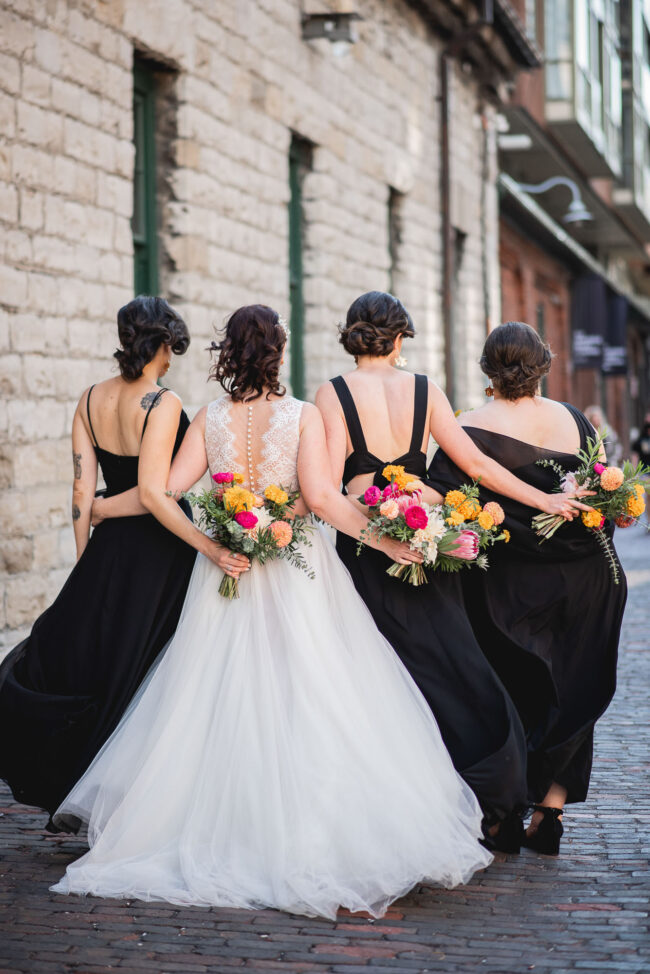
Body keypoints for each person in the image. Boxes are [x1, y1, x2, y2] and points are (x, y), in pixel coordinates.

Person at [51, 305, 492, 920]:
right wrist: (383, 540)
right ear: (279, 354)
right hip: (298, 571)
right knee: (314, 685)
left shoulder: (209, 418)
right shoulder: (304, 417)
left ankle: (218, 824)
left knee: (217, 693)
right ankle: (305, 825)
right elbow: (320, 499)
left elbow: (165, 493)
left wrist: (100, 508)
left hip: (226, 569)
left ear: (225, 355)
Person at [315, 292, 591, 850]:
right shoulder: (425, 389)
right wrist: (543, 502)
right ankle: (498, 794)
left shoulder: (333, 393)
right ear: (399, 338)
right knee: (454, 666)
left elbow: (332, 485)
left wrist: (373, 521)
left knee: (381, 674)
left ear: (355, 335)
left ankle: (408, 802)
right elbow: (478, 466)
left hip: (370, 545)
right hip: (431, 543)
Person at [0, 297, 209, 829]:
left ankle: (88, 790)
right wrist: (205, 545)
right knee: (150, 668)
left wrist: (85, 562)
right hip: (162, 549)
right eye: (171, 349)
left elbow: (80, 490)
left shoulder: (90, 399)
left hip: (110, 548)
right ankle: (127, 798)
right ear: (163, 344)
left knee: (106, 663)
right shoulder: (161, 403)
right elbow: (154, 492)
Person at [428, 321, 627, 855]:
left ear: (488, 369)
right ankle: (551, 813)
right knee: (570, 688)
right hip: (585, 577)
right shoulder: (578, 422)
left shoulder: (465, 427)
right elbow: (602, 502)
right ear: (543, 365)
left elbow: (446, 506)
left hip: (504, 587)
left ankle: (502, 814)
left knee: (507, 688)